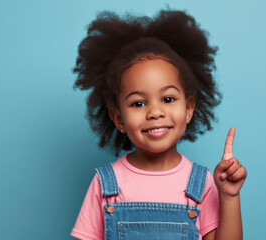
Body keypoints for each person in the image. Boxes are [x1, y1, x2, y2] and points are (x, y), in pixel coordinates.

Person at [71, 9, 247, 240]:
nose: (155, 112)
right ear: (118, 119)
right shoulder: (105, 183)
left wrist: (230, 197)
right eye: (138, 103)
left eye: (168, 99)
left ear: (189, 109)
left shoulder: (201, 182)